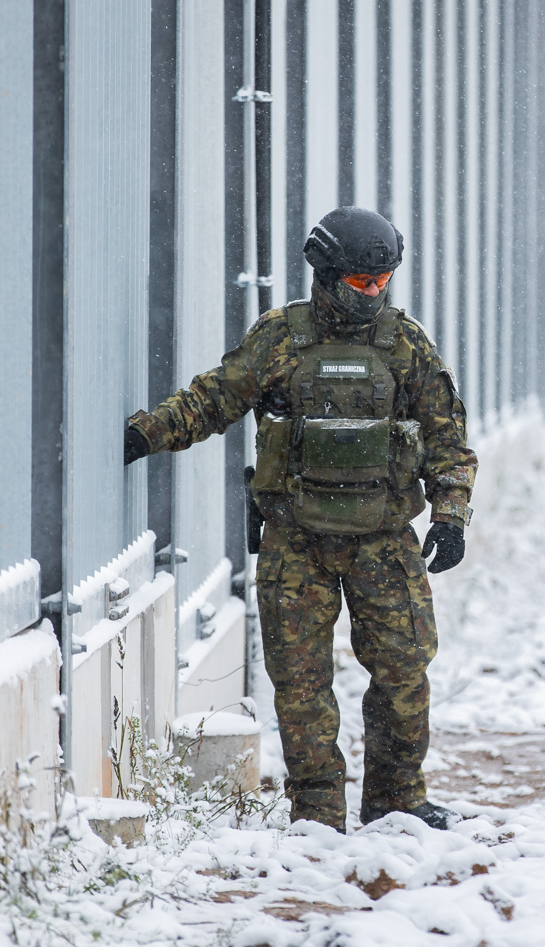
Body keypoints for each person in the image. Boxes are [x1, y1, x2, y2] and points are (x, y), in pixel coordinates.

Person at [124, 207, 474, 832]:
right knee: (301, 685)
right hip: (297, 541)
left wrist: (451, 515)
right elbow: (216, 397)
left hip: (384, 541)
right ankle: (317, 812)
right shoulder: (281, 337)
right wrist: (150, 433)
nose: (373, 294)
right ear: (327, 273)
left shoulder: (405, 343)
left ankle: (398, 799)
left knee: (404, 671)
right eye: (361, 283)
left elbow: (448, 435)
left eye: (382, 282)